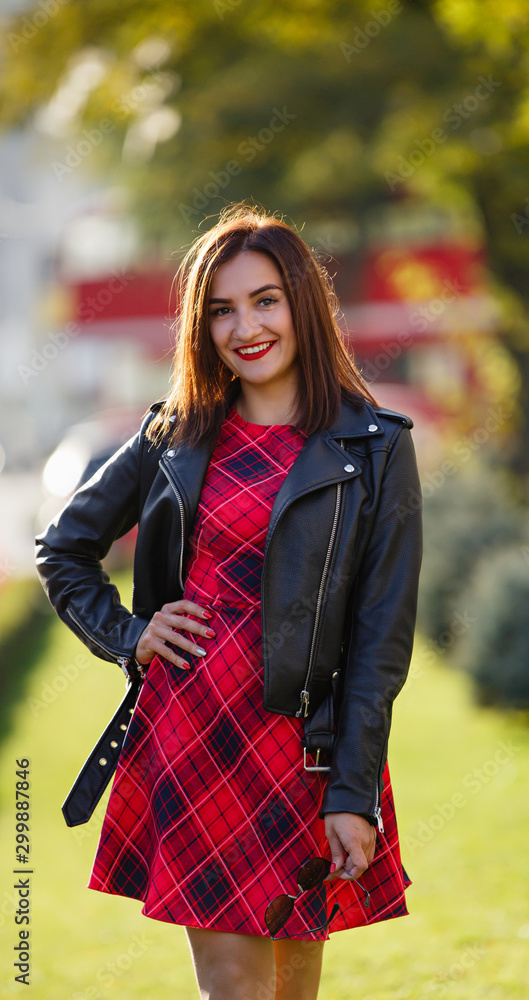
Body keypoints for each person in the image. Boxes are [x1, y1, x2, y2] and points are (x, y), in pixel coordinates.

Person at [35, 202, 423, 1000]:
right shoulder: (170, 436)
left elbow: (380, 644)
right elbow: (64, 550)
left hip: (306, 752)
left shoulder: (378, 449)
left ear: (302, 306)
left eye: (265, 300)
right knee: (235, 992)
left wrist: (351, 793)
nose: (244, 326)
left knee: (290, 993)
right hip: (197, 735)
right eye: (220, 309)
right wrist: (130, 633)